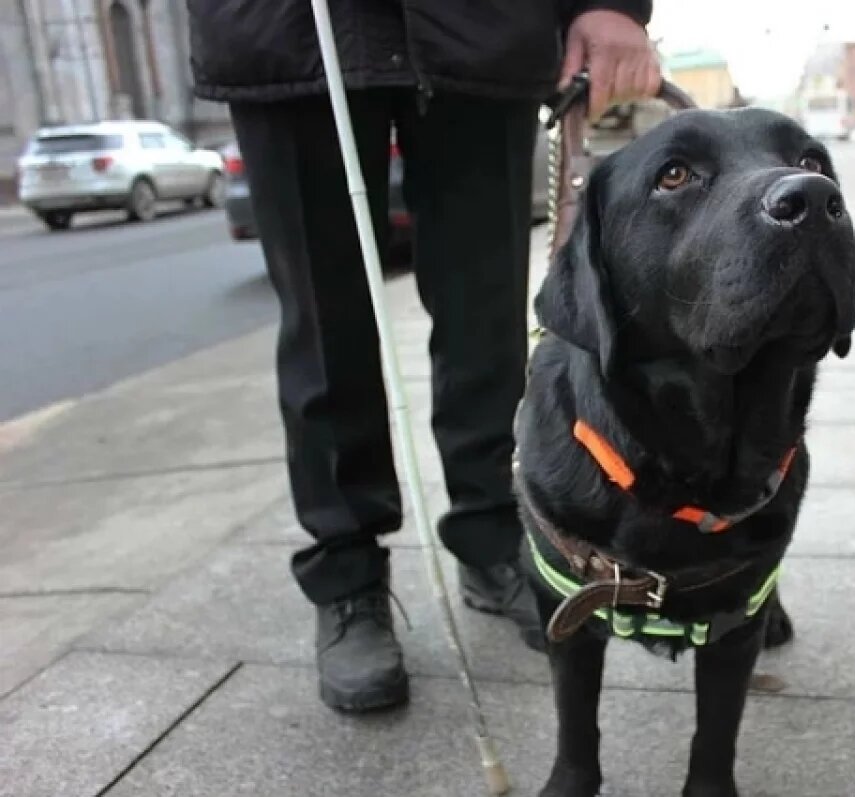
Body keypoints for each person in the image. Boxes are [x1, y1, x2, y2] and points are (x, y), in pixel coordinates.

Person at [186, 1, 661, 712]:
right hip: (291, 31)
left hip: (478, 30)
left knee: (487, 318)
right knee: (324, 327)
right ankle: (346, 575)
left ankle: (496, 534)